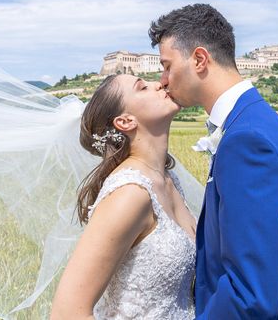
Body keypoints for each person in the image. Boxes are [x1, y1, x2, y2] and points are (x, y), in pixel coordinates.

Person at [150, 3, 278, 319]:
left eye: (167, 65)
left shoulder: (246, 141)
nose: (162, 80)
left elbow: (251, 294)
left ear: (199, 59)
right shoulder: (253, 120)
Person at [50, 74, 198, 320]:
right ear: (125, 121)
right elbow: (66, 312)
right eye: (142, 87)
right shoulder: (130, 193)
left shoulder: (169, 180)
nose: (159, 83)